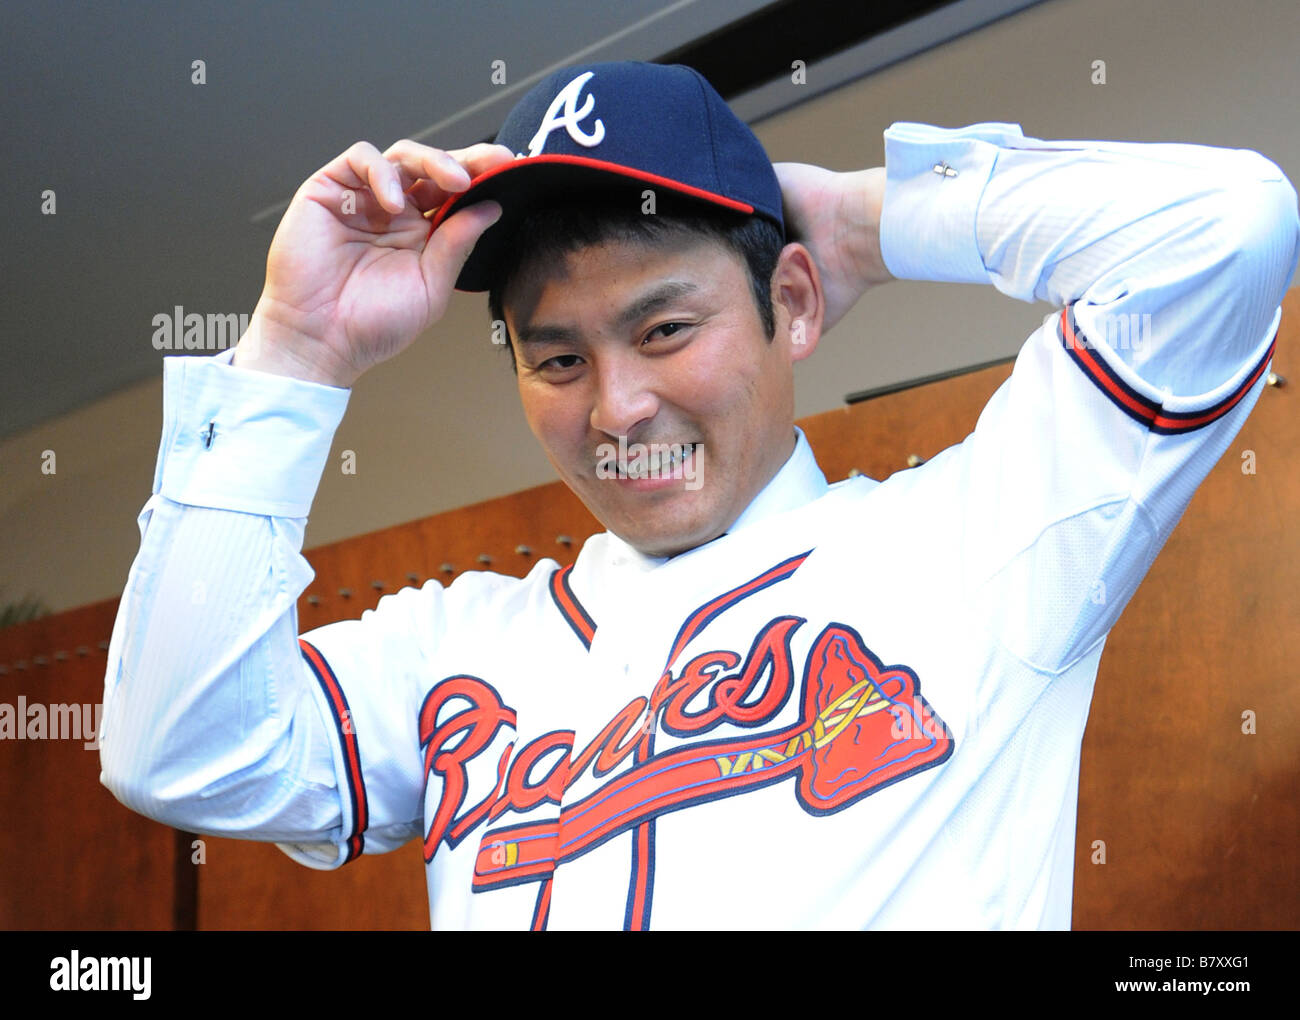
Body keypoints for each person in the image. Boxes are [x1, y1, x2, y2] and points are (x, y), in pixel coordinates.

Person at [99, 60, 1298, 930]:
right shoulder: (452, 646)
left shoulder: (978, 545)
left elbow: (1227, 232)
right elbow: (180, 750)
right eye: (557, 358)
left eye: (665, 327)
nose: (616, 407)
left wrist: (866, 224)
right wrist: (295, 351)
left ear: (790, 301)